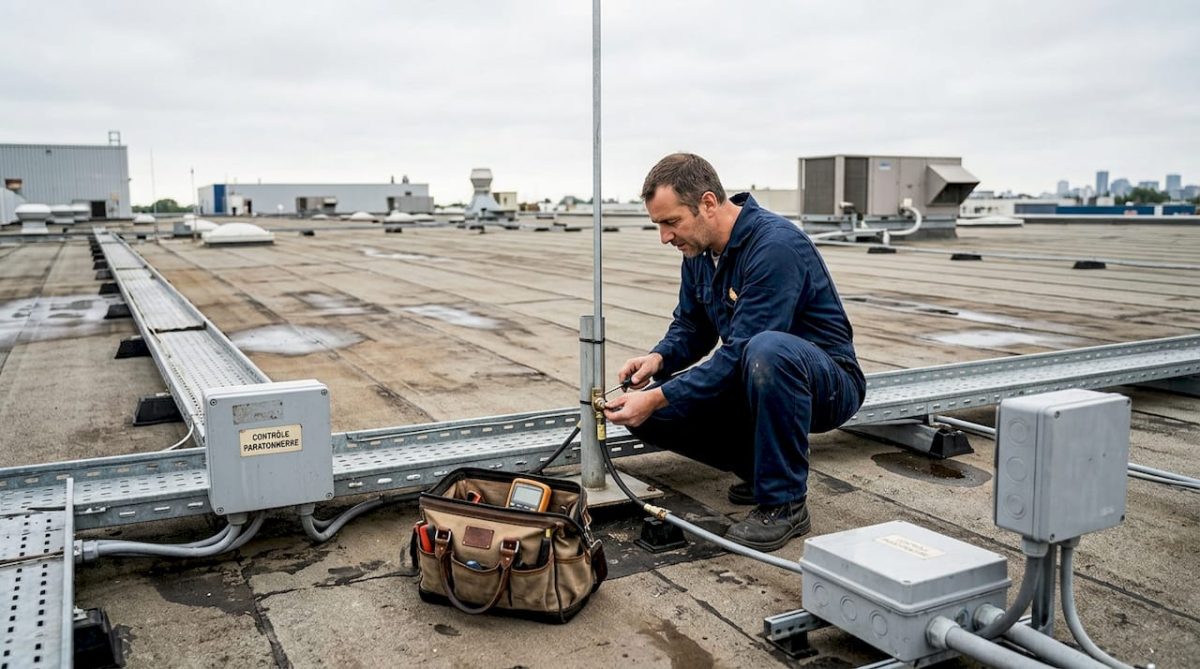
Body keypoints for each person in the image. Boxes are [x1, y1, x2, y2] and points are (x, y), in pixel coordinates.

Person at [603, 153, 866, 552]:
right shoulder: (698, 253)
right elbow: (692, 327)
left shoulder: (774, 246)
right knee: (644, 412)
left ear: (708, 203)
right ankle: (759, 469)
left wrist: (658, 394)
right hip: (755, 373)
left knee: (767, 349)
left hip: (825, 383)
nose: (665, 237)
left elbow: (744, 349)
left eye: (671, 222)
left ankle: (785, 503)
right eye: (658, 225)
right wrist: (658, 360)